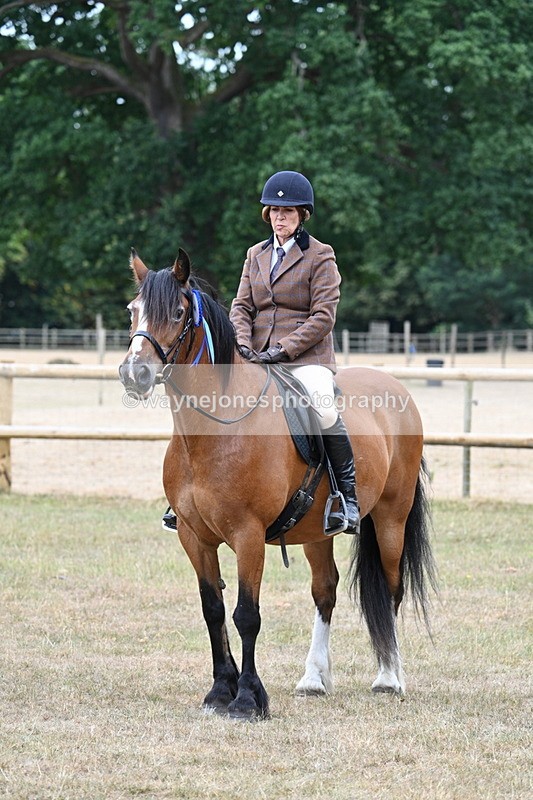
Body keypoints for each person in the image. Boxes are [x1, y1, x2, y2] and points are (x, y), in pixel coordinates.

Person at [229, 170, 360, 533]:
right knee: (212, 398)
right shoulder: (255, 254)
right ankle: (195, 496)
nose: (279, 217)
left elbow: (323, 317)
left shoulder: (321, 256)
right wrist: (242, 344)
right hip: (254, 354)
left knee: (321, 404)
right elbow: (241, 307)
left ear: (303, 214)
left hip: (305, 359)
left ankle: (346, 499)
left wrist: (281, 351)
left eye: (287, 211)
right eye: (274, 211)